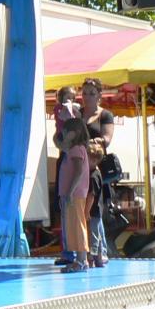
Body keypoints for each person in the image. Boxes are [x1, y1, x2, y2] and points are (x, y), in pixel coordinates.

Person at [54, 87, 92, 272]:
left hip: (74, 194)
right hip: (71, 193)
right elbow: (58, 142)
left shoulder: (76, 150)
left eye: (67, 131)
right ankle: (79, 258)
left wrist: (69, 191)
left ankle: (82, 259)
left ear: (75, 133)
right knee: (72, 225)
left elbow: (78, 171)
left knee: (77, 224)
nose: (65, 133)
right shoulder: (72, 149)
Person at [81, 77, 117, 267]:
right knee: (82, 211)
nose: (87, 97)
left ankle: (99, 252)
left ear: (99, 96)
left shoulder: (105, 115)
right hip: (79, 167)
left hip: (95, 168)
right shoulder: (78, 114)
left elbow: (107, 139)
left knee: (94, 211)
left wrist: (94, 142)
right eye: (84, 93)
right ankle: (86, 250)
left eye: (91, 93)